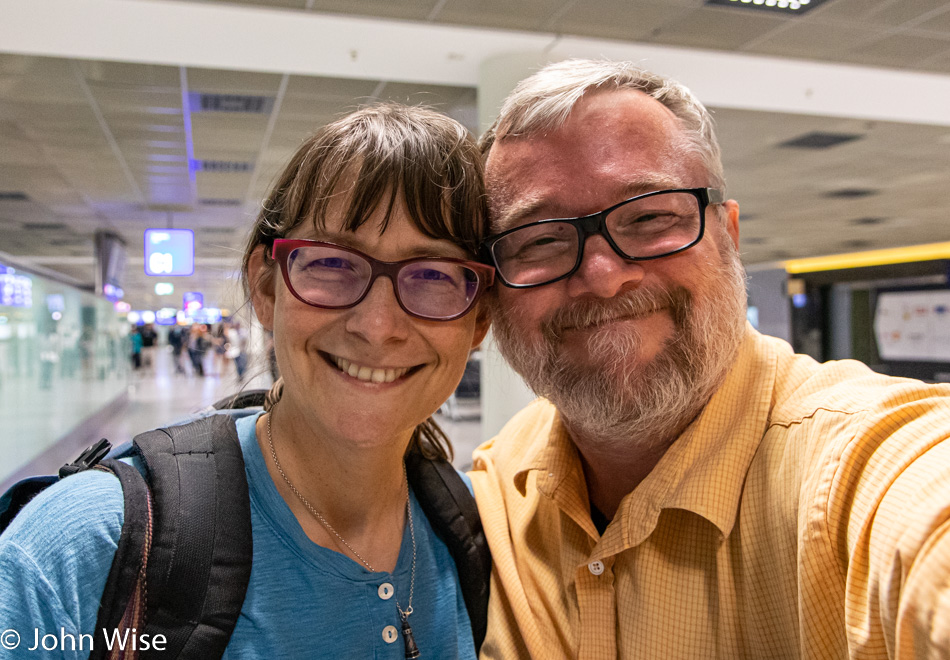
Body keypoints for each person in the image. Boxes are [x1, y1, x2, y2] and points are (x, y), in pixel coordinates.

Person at [469, 59, 950, 659]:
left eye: (648, 217)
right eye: (539, 239)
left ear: (728, 232)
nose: (602, 275)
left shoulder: (847, 470)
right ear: (492, 288)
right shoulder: (498, 489)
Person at [0, 103, 493, 658]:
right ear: (265, 286)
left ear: (479, 318)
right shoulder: (84, 547)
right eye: (331, 264)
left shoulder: (470, 530)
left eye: (433, 275)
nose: (378, 327)